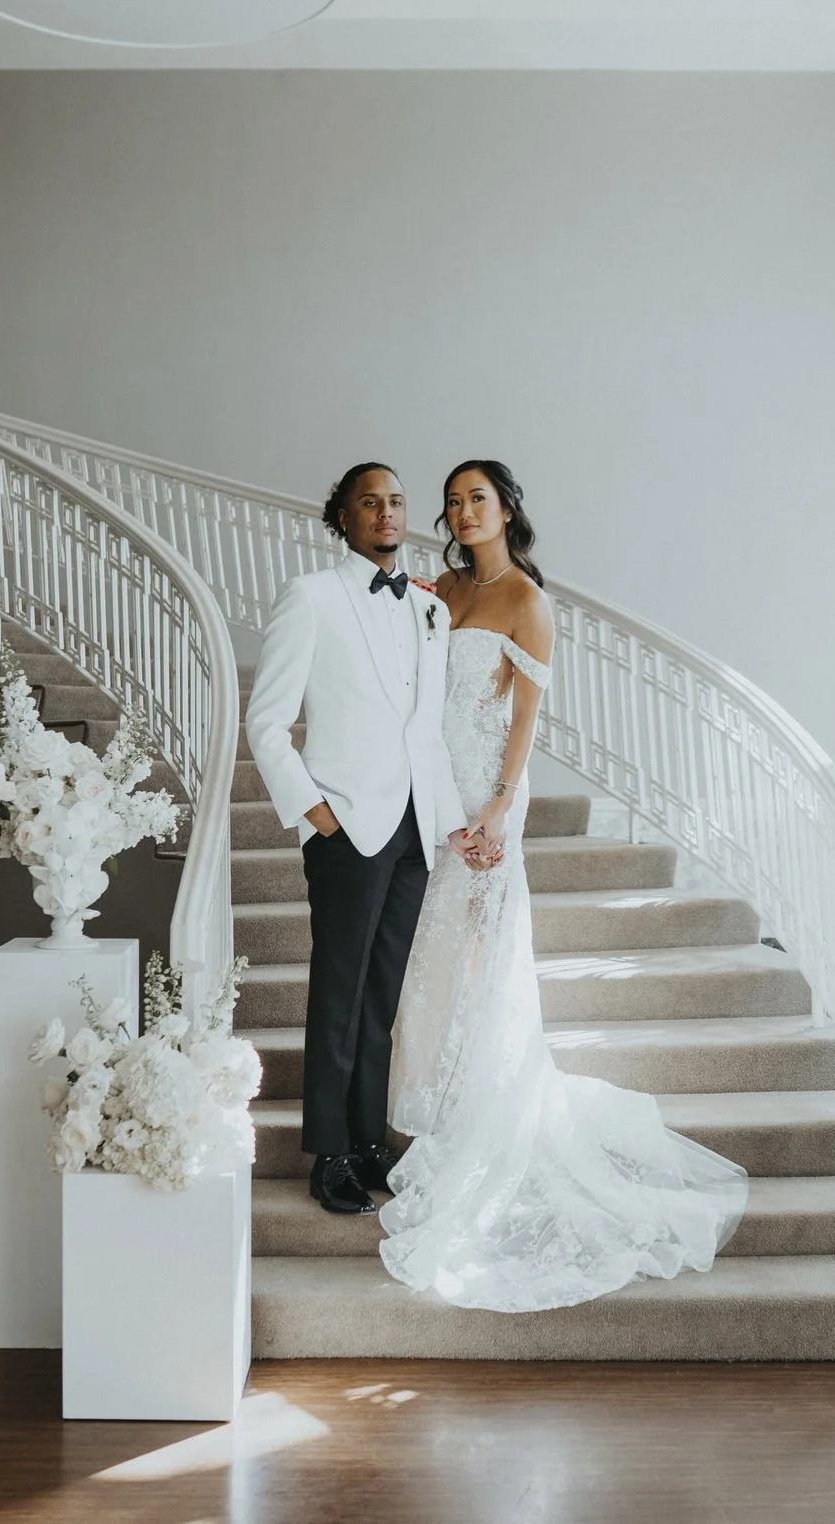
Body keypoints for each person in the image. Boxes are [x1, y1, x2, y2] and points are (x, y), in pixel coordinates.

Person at [379, 460, 747, 1312]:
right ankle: (428, 1118)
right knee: (426, 967)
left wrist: (502, 809)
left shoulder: (528, 604)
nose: (462, 511)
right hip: (429, 796)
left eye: (478, 498)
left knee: (476, 967)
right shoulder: (439, 590)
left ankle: (477, 1126)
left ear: (505, 509)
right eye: (453, 501)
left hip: (482, 804)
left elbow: (525, 721)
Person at [245, 462, 472, 1216]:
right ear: (340, 516)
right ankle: (330, 1151)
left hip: (413, 825)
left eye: (397, 501)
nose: (387, 513)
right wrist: (318, 815)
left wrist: (445, 820)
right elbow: (266, 722)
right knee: (340, 995)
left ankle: (371, 1140)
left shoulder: (429, 607)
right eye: (369, 502)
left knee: (382, 998)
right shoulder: (312, 597)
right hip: (346, 825)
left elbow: (426, 725)